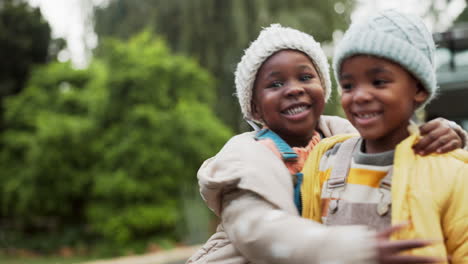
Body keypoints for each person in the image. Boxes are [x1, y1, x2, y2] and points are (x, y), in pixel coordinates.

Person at [187, 24, 465, 264]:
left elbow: (395, 142)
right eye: (275, 84)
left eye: (306, 77)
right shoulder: (245, 158)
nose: (294, 88)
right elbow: (259, 235)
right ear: (255, 110)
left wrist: (442, 132)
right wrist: (357, 248)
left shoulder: (343, 141)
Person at [301, 10, 468, 263]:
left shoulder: (452, 172)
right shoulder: (325, 160)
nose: (360, 96)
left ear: (420, 89)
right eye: (348, 85)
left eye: (378, 82)